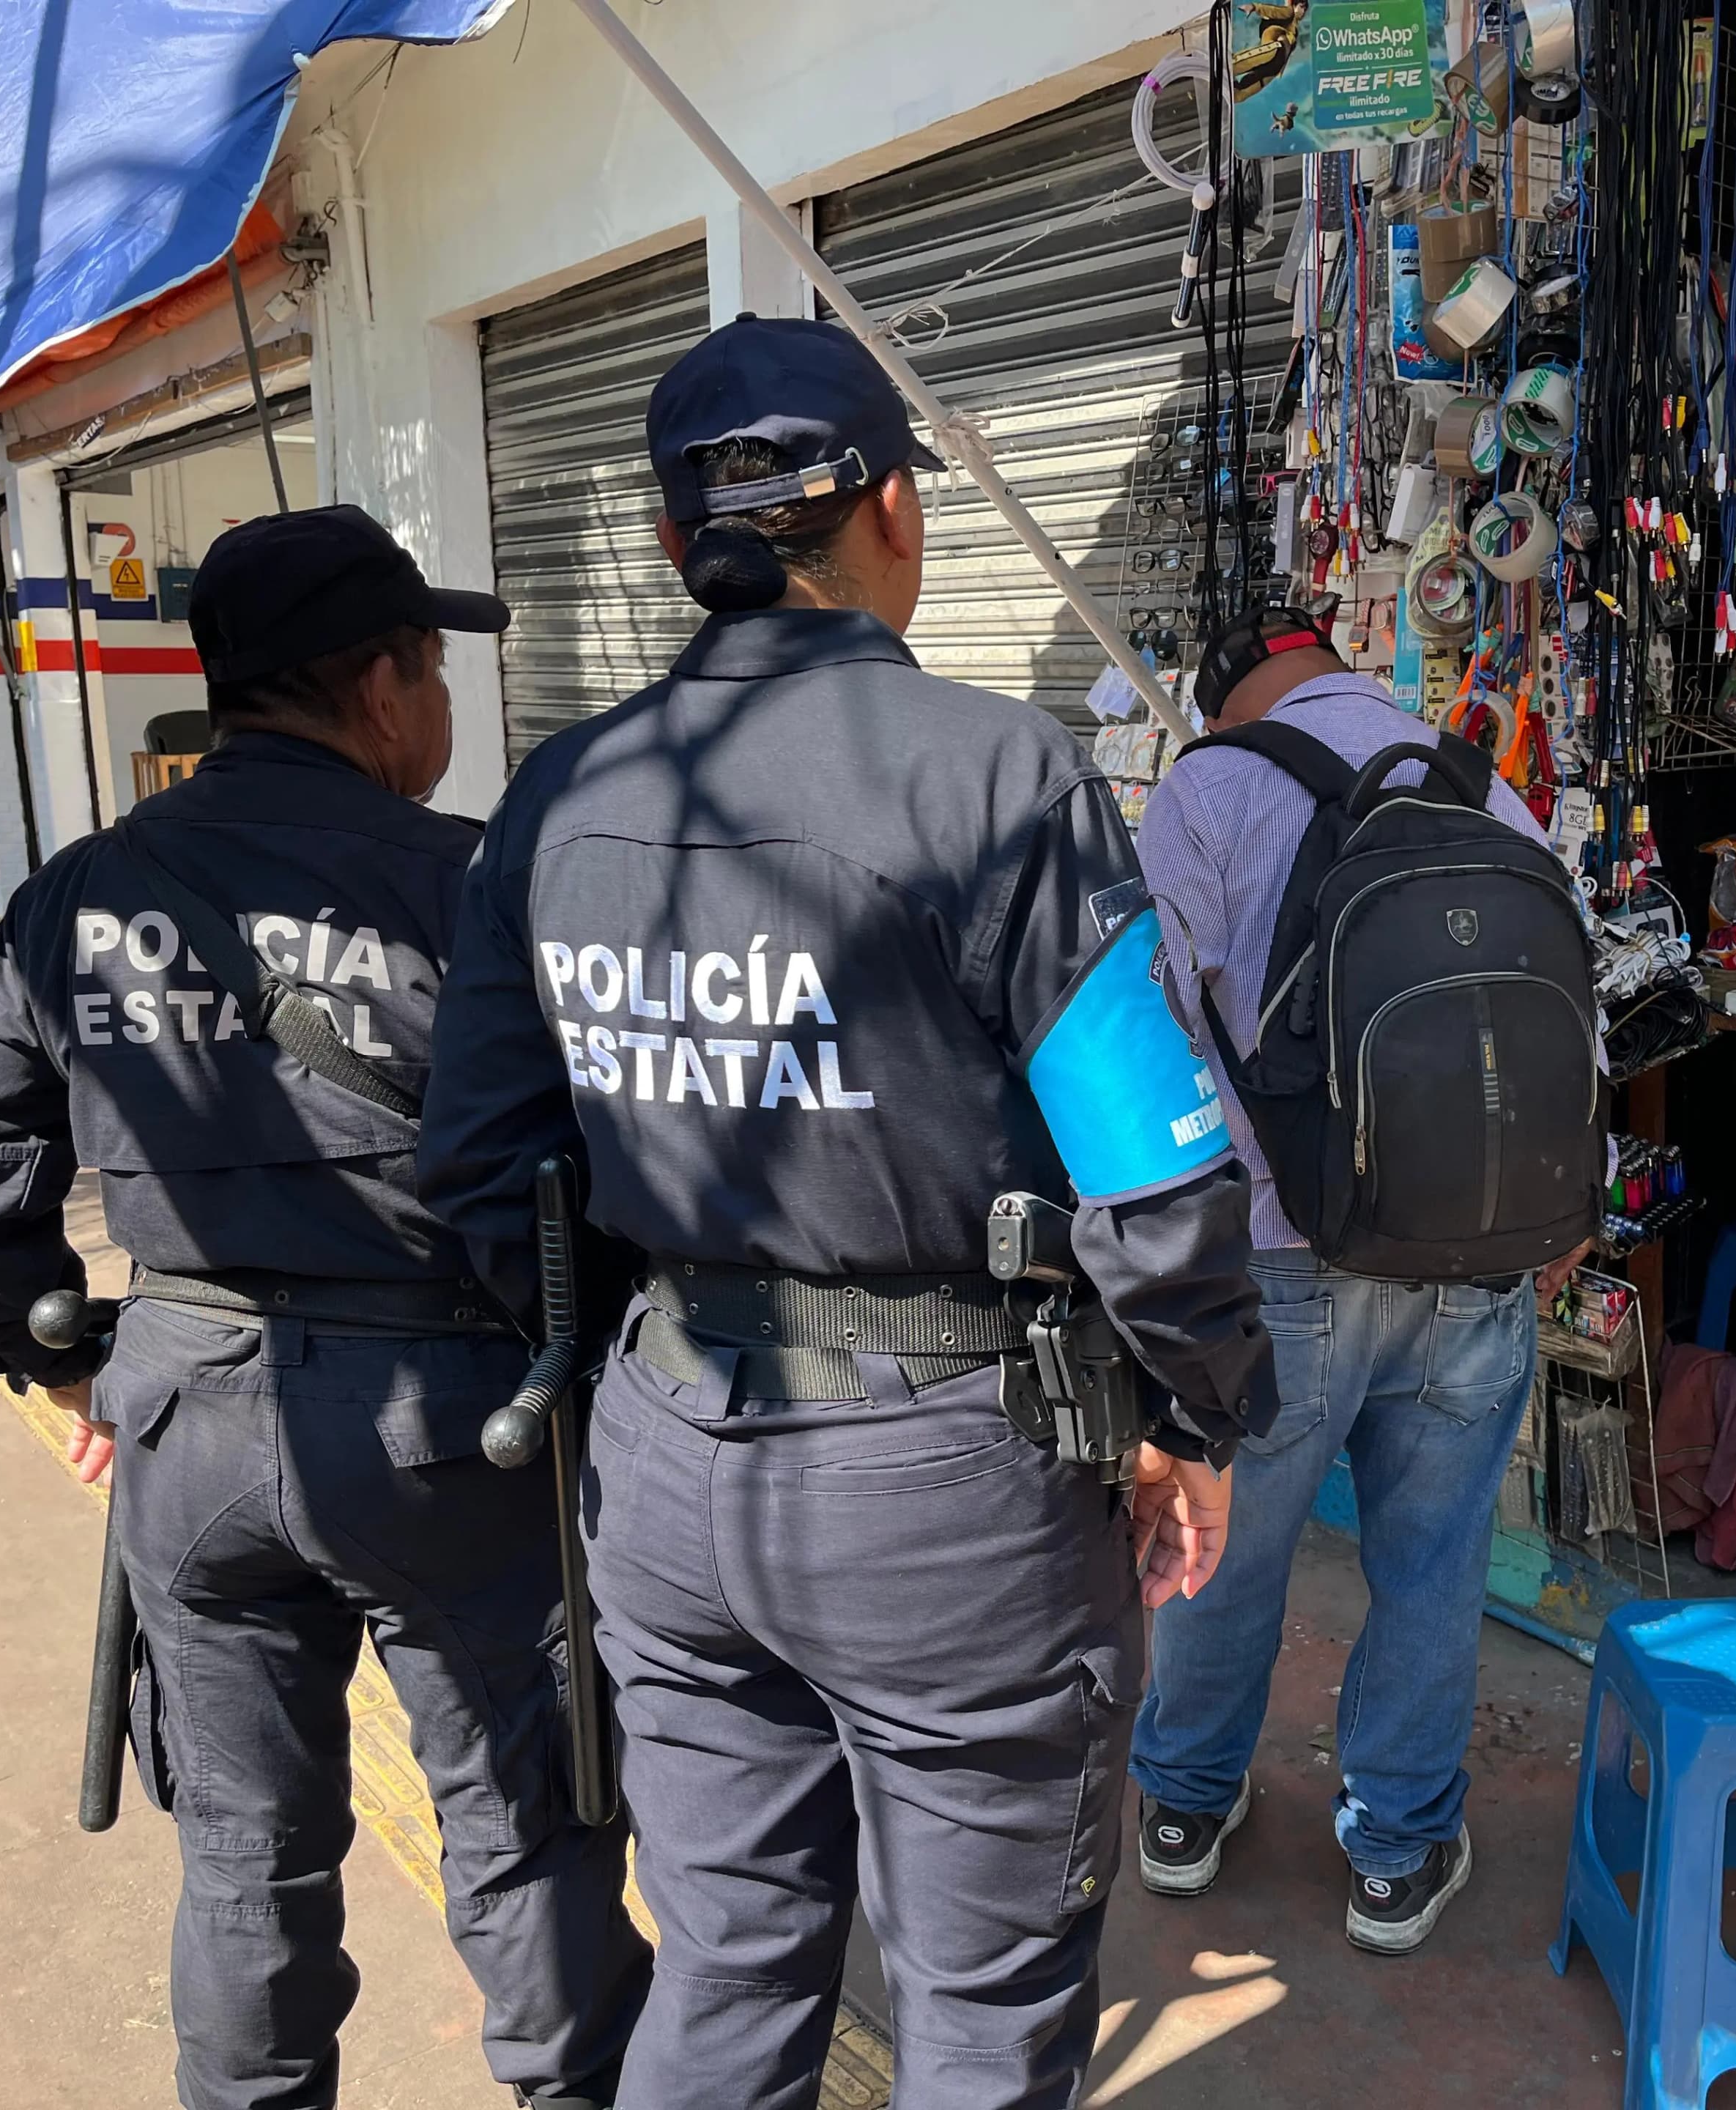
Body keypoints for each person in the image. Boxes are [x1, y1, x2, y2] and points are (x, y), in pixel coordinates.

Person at [419, 314, 1275, 2110]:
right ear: (894, 508)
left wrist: (644, 1361)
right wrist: (1191, 1412)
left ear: (677, 544)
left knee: (726, 1973)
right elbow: (1151, 1167)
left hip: (662, 1457)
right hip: (948, 1489)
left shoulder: (561, 794)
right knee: (976, 2008)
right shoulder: (994, 772)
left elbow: (485, 1167)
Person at [0, 506, 650, 2110]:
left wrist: (74, 1366)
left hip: (188, 1418)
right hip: (449, 1430)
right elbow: (606, 1173)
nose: (441, 709)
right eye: (434, 670)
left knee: (245, 1859)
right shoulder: (477, 884)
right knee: (525, 1829)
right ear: (376, 689)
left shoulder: (85, 891)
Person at [1126, 607, 1593, 1955]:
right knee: (1436, 1564)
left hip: (1278, 1265)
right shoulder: (1480, 779)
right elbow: (1564, 1005)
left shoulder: (1208, 790)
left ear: (1227, 698)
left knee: (1223, 1551)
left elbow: (1147, 1035)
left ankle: (1186, 1808)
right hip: (1479, 1255)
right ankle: (1395, 1853)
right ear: (1339, 664)